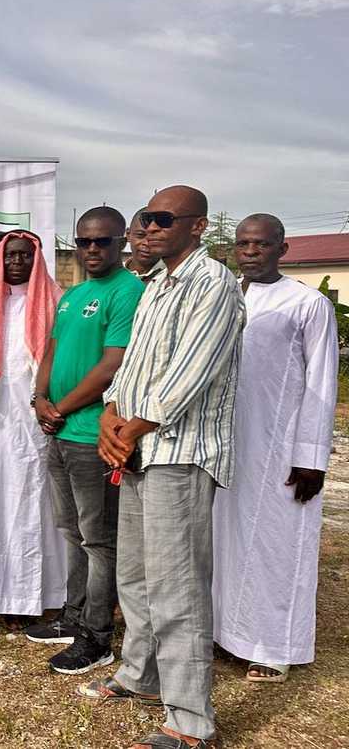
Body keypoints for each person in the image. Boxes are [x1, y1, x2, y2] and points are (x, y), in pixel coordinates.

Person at [80, 185, 244, 749]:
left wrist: (131, 427)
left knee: (177, 588)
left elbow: (189, 375)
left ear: (197, 226)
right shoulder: (154, 285)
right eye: (144, 218)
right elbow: (136, 368)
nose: (147, 227)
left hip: (181, 452)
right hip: (141, 449)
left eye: (162, 219)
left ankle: (191, 720)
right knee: (137, 575)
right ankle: (140, 677)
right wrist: (109, 414)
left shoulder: (213, 283)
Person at [212, 214, 338, 684]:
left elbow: (323, 384)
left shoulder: (307, 303)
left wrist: (310, 456)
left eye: (261, 244)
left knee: (277, 544)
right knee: (225, 541)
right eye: (242, 243)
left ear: (282, 250)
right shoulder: (224, 297)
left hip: (280, 447)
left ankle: (273, 646)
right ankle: (228, 633)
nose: (250, 251)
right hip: (226, 443)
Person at [29, 207, 143, 674]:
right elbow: (51, 350)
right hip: (58, 432)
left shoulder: (128, 290)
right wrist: (39, 397)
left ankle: (97, 636)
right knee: (72, 532)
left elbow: (113, 363)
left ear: (121, 245)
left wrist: (63, 406)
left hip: (94, 435)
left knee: (99, 539)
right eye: (85, 241)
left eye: (102, 242)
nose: (92, 249)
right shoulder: (73, 295)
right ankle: (72, 617)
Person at [0, 231, 66, 627]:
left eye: (25, 256)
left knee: (37, 501)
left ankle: (46, 594)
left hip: (38, 421)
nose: (17, 263)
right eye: (11, 256)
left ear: (37, 259)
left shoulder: (58, 302)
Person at [125, 209, 162, 282]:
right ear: (128, 235)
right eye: (140, 235)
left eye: (155, 237)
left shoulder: (172, 276)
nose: (147, 243)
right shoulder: (110, 275)